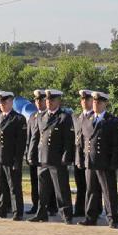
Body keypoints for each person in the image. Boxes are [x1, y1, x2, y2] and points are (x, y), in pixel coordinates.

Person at [29, 89, 75, 224]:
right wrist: (32, 154)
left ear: (58, 101)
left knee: (61, 189)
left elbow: (68, 140)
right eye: (47, 100)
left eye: (51, 100)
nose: (48, 102)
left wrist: (66, 157)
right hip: (42, 158)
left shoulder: (64, 117)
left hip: (56, 159)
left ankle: (66, 214)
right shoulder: (42, 116)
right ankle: (41, 213)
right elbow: (36, 137)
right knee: (42, 190)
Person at [79, 91, 118, 228]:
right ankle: (90, 217)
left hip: (105, 162)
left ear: (105, 104)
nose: (96, 104)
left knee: (108, 192)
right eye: (95, 102)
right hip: (91, 161)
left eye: (99, 102)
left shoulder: (112, 121)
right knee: (91, 190)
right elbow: (82, 141)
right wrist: (82, 158)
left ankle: (112, 218)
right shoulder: (88, 119)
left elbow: (116, 145)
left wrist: (114, 162)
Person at [0, 91, 27, 220]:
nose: (2, 104)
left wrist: (17, 160)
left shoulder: (18, 119)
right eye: (1, 102)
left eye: (4, 102)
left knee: (14, 187)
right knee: (0, 186)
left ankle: (17, 212)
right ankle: (1, 209)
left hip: (11, 158)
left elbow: (20, 143)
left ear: (11, 102)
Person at [25, 89, 49, 215]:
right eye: (36, 100)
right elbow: (29, 137)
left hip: (46, 154)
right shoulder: (32, 117)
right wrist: (28, 153)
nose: (38, 102)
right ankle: (36, 204)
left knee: (47, 182)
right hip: (34, 154)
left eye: (41, 100)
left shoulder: (48, 116)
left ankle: (50, 206)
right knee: (34, 181)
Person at [73, 89, 95, 217]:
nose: (84, 102)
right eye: (82, 99)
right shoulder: (77, 117)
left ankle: (93, 209)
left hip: (90, 156)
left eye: (87, 99)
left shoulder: (94, 117)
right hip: (79, 155)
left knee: (92, 186)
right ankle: (79, 209)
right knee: (80, 184)